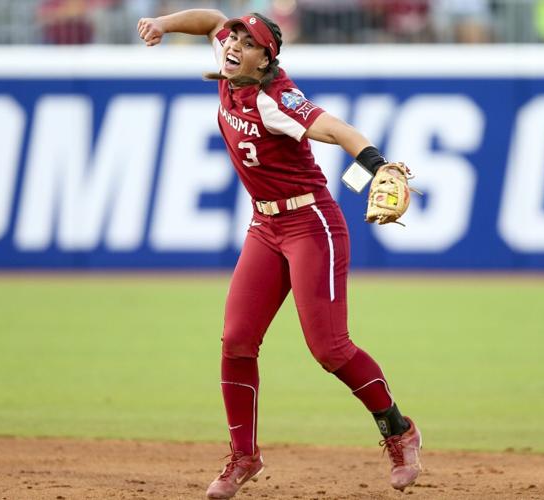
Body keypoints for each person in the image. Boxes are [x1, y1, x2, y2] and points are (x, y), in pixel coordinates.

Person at [137, 9, 422, 499]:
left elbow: (335, 129)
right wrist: (163, 23)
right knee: (236, 340)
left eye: (248, 43)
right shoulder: (228, 56)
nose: (234, 45)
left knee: (329, 349)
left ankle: (398, 430)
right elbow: (211, 20)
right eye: (236, 39)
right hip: (265, 224)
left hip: (311, 225)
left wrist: (378, 166)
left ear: (265, 57)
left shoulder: (276, 98)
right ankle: (244, 457)